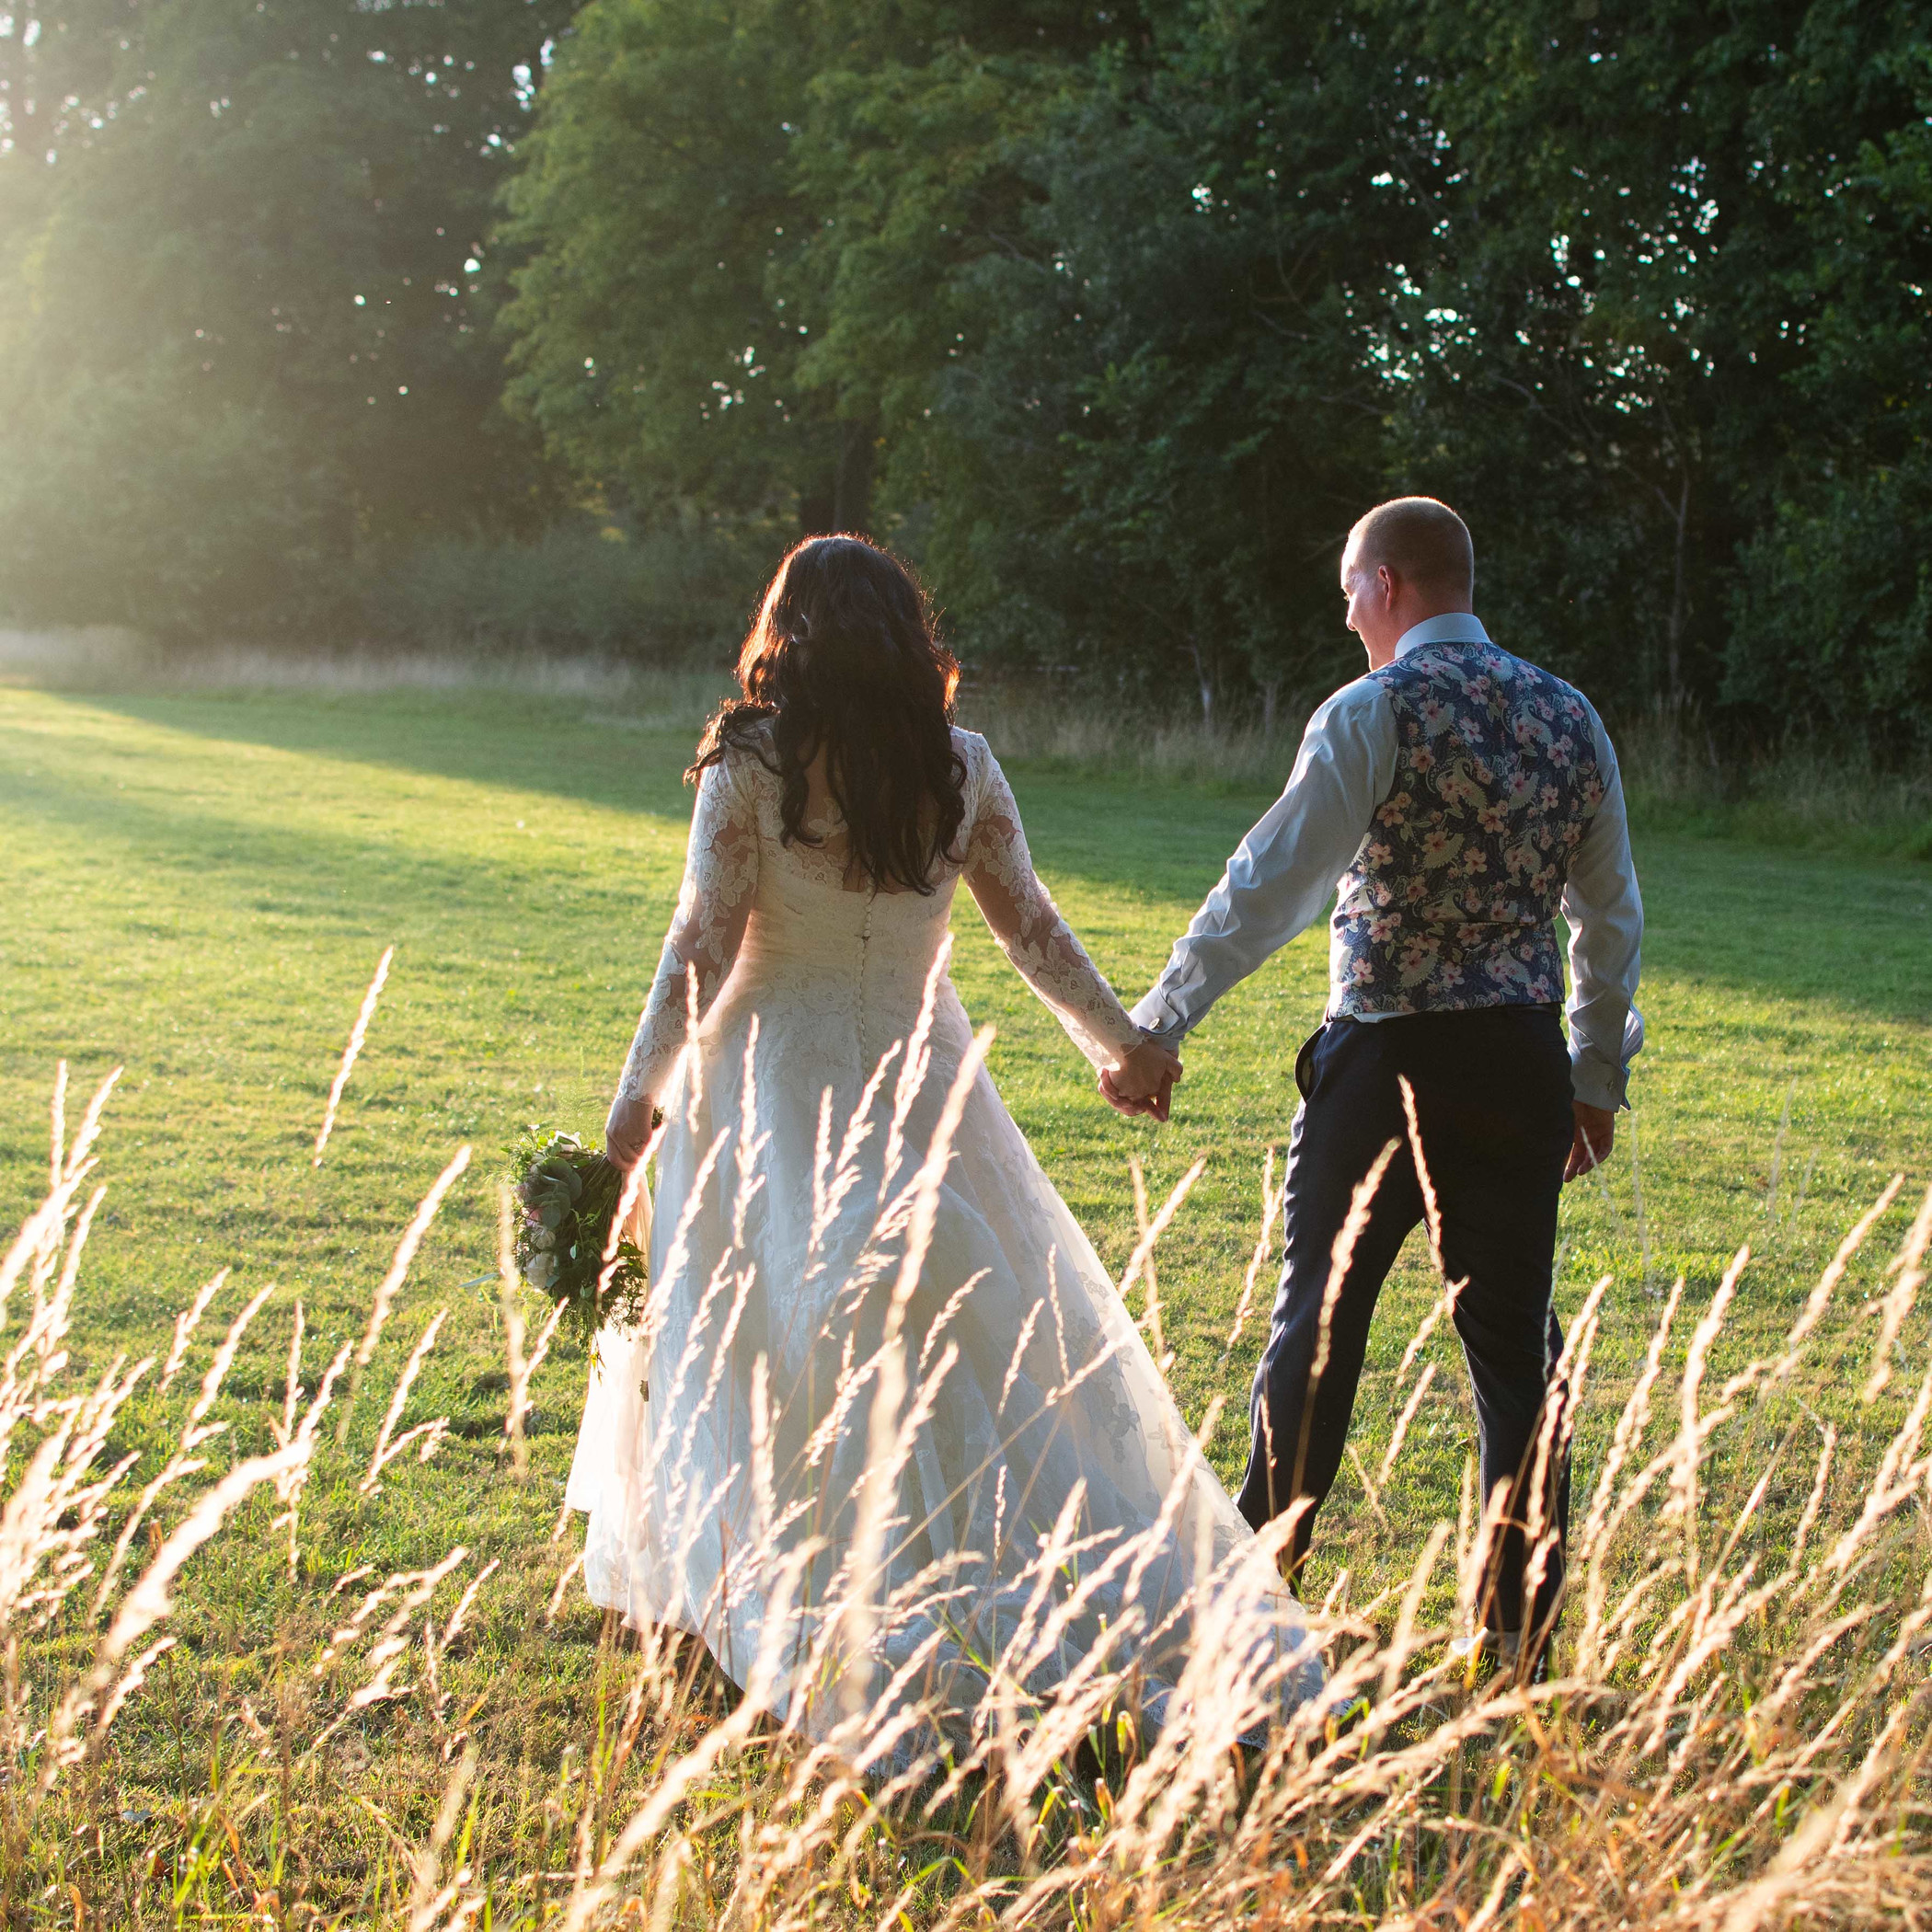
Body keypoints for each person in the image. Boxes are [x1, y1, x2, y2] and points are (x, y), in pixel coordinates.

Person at [569, 534, 1316, 1766]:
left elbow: (701, 945)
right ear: (910, 640)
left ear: (792, 634)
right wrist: (1117, 1045)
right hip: (917, 1078)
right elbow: (1031, 929)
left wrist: (635, 1102)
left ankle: (789, 1587)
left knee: (758, 1331)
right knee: (929, 1331)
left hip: (766, 1076)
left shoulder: (752, 760)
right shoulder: (957, 765)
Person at [1105, 497, 1642, 1668]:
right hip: (1517, 1062)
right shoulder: (1570, 717)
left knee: (1320, 1326)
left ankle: (1251, 1613)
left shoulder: (1372, 711)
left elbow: (1269, 883)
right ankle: (1516, 1636)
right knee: (1517, 1355)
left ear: (1389, 585)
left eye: (1350, 588)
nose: (1346, 612)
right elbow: (1609, 919)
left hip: (1386, 1062)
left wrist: (1160, 1022)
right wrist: (1592, 1078)